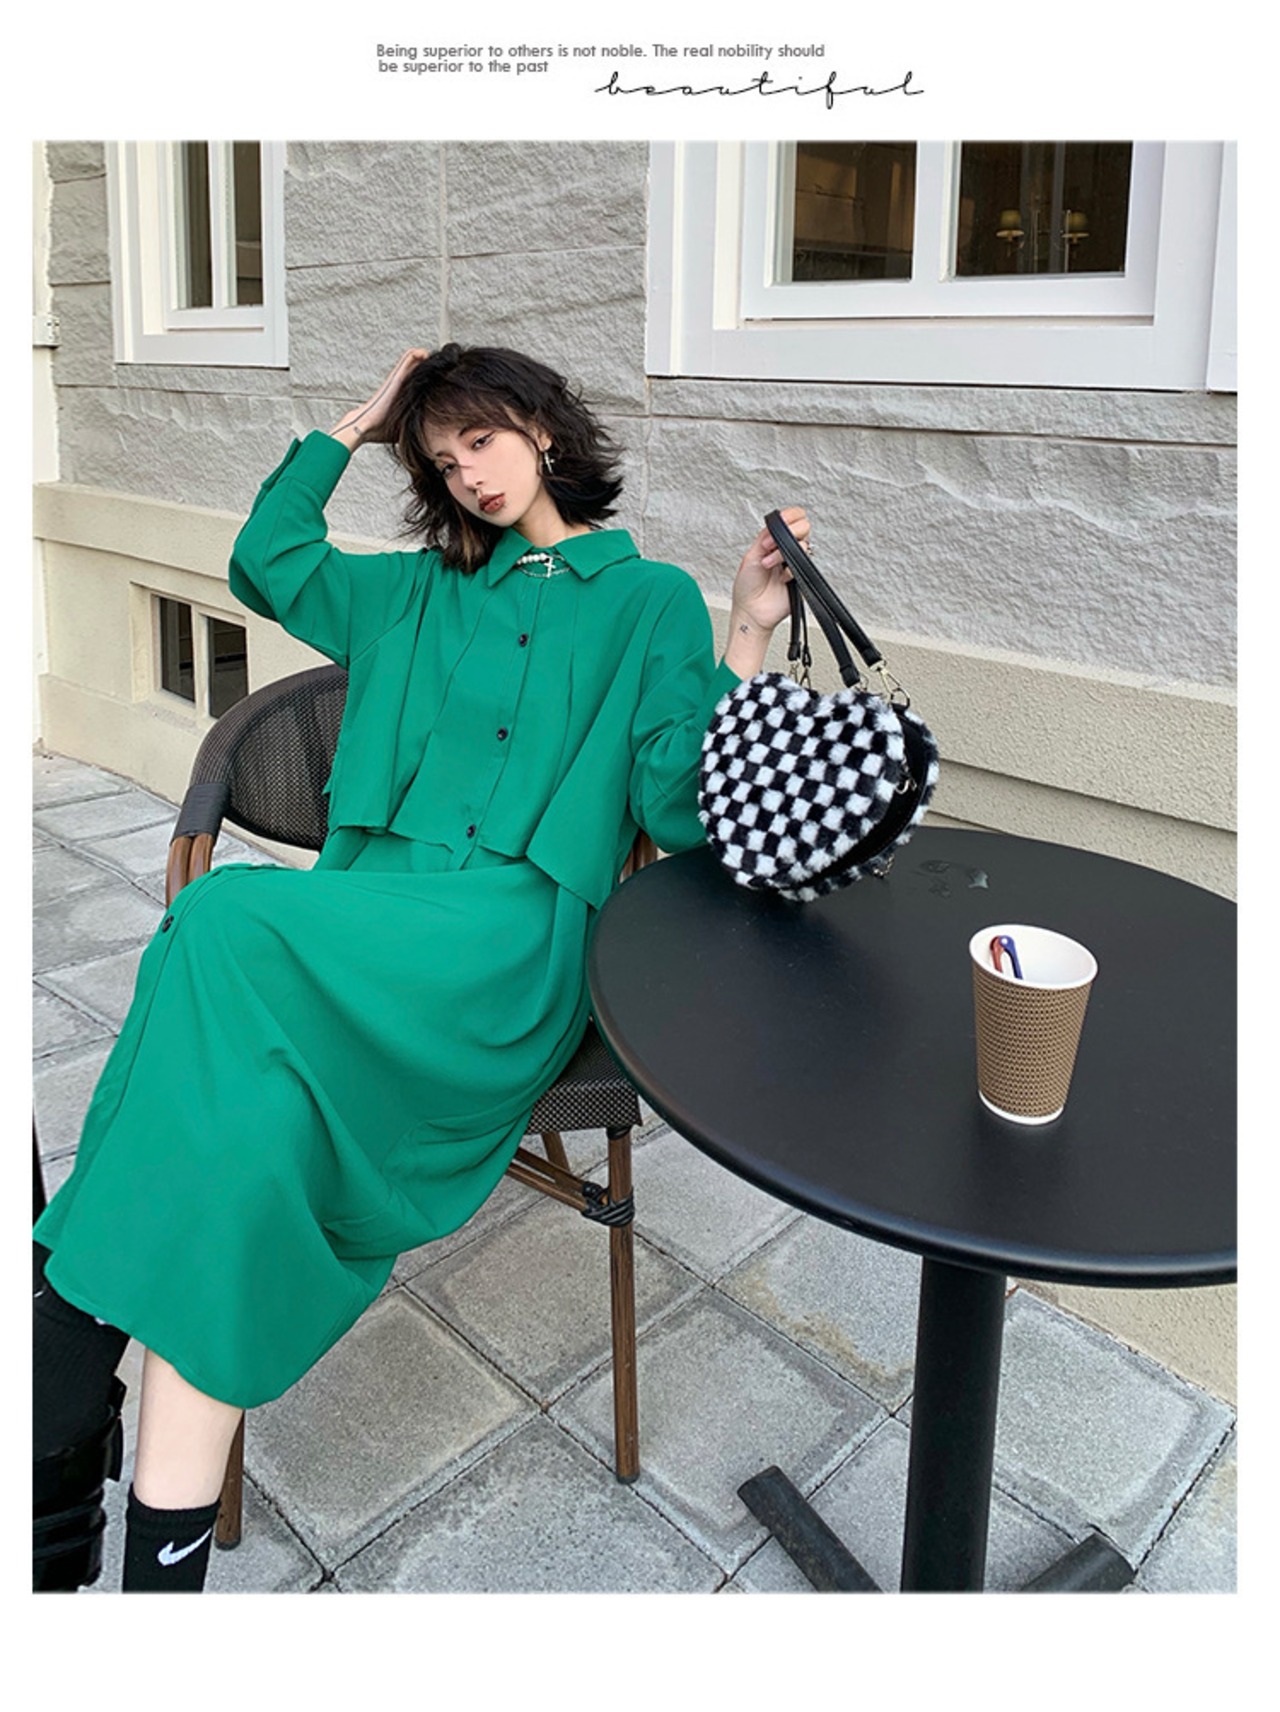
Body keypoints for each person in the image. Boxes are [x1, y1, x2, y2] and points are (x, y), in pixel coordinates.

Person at [33, 344, 809, 1593]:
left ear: (543, 430)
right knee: (242, 1138)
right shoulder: (410, 590)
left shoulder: (646, 600)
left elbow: (680, 803)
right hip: (364, 930)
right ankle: (136, 1552)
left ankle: (63, 1337)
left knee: (222, 916)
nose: (468, 476)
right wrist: (348, 432)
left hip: (507, 945)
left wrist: (747, 632)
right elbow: (267, 561)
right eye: (443, 461)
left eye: (482, 441)